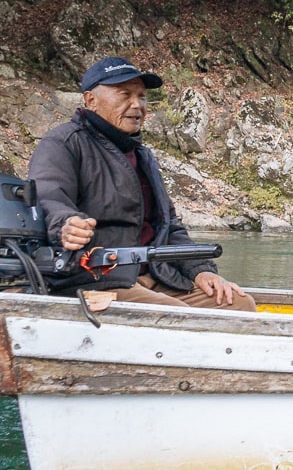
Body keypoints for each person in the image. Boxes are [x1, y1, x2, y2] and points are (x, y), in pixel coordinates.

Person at [27, 56, 255, 310]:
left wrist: (201, 271)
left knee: (239, 304)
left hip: (155, 276)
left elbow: (169, 228)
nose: (137, 105)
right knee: (179, 316)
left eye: (142, 96)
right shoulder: (64, 143)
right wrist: (66, 226)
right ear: (91, 100)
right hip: (97, 279)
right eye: (125, 95)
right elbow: (47, 198)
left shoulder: (143, 156)